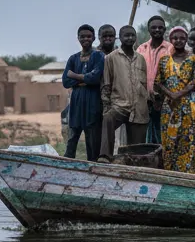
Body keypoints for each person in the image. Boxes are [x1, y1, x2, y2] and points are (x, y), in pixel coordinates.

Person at [153, 26, 195, 173]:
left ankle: (190, 173)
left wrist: (179, 94)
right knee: (170, 140)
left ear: (186, 40)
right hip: (169, 107)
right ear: (170, 40)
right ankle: (170, 171)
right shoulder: (164, 60)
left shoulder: (194, 59)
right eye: (175, 38)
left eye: (182, 38)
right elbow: (157, 82)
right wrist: (170, 94)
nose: (179, 40)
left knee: (188, 140)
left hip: (188, 106)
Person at [101, 24, 150, 159]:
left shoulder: (140, 58)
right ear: (120, 38)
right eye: (126, 35)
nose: (129, 38)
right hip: (119, 105)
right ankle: (105, 156)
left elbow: (144, 83)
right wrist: (106, 106)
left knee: (136, 151)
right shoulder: (111, 57)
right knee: (108, 118)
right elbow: (106, 84)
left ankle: (133, 164)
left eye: (132, 35)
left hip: (139, 107)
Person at [63, 24, 105, 161]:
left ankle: (93, 170)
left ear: (93, 38)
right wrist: (86, 79)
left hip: (93, 103)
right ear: (78, 38)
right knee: (72, 140)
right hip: (76, 103)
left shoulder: (99, 56)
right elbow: (65, 81)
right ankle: (68, 168)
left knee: (93, 142)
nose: (85, 39)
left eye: (88, 36)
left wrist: (75, 76)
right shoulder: (73, 58)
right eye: (82, 36)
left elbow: (95, 78)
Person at [138, 15, 174, 144]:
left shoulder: (171, 48)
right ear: (149, 29)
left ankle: (163, 162)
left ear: (165, 29)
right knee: (146, 135)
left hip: (165, 99)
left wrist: (163, 96)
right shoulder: (141, 49)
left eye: (160, 27)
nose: (157, 30)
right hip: (144, 99)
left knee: (163, 134)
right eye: (154, 27)